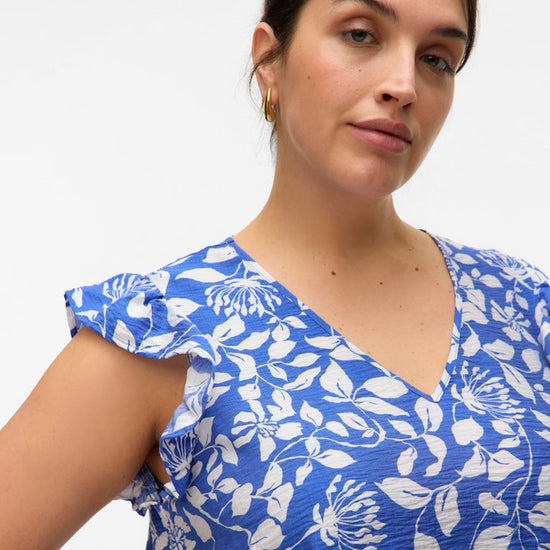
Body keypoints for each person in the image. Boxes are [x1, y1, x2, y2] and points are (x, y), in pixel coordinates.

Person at [1, 0, 550, 548]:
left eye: (436, 59)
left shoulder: (524, 306)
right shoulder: (166, 335)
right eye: (361, 35)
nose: (404, 85)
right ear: (269, 60)